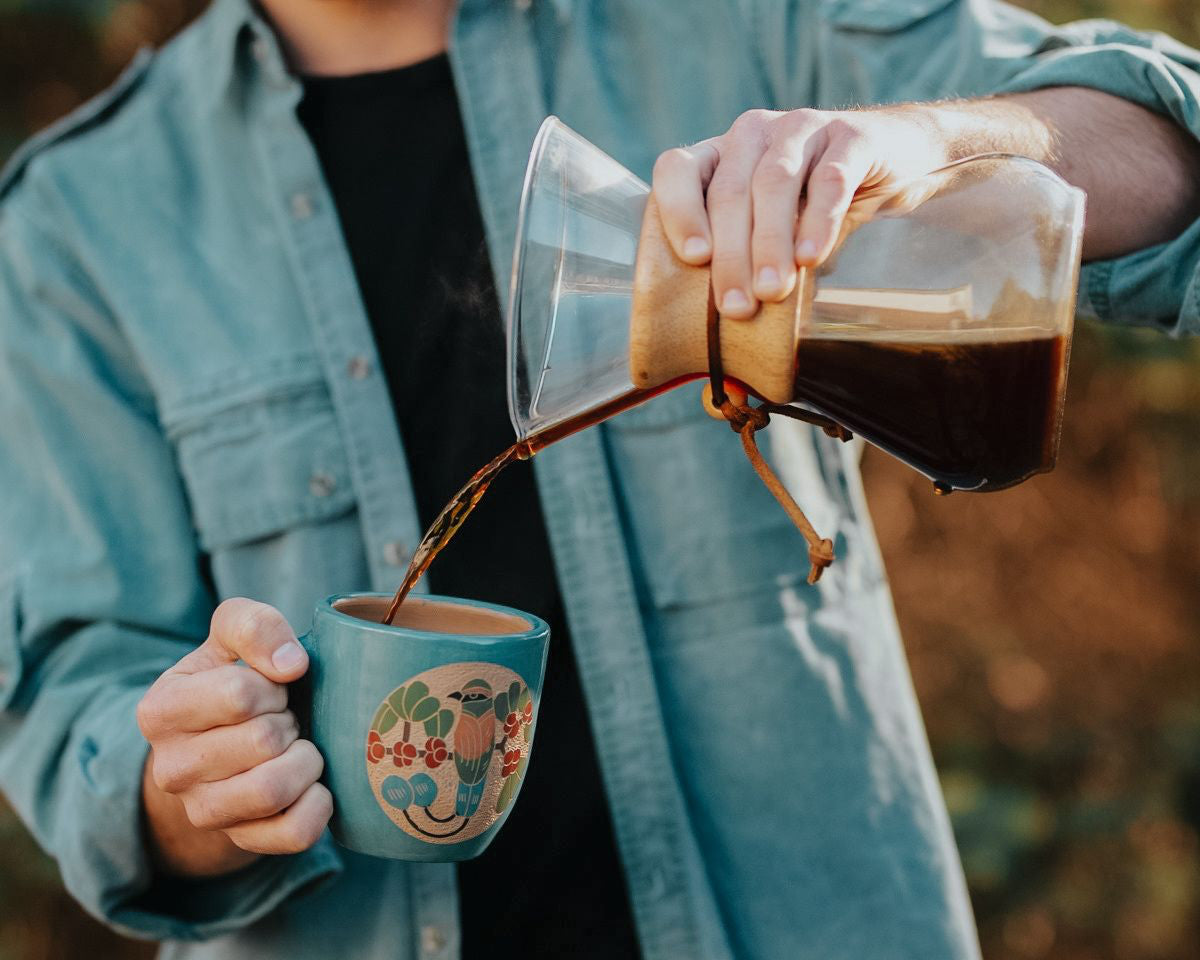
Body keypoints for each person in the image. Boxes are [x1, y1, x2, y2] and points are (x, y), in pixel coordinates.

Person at [0, 1, 1197, 958]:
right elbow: (75, 702)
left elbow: (1168, 141)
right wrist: (190, 785)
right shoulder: (76, 220)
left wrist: (936, 148)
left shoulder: (736, 24)